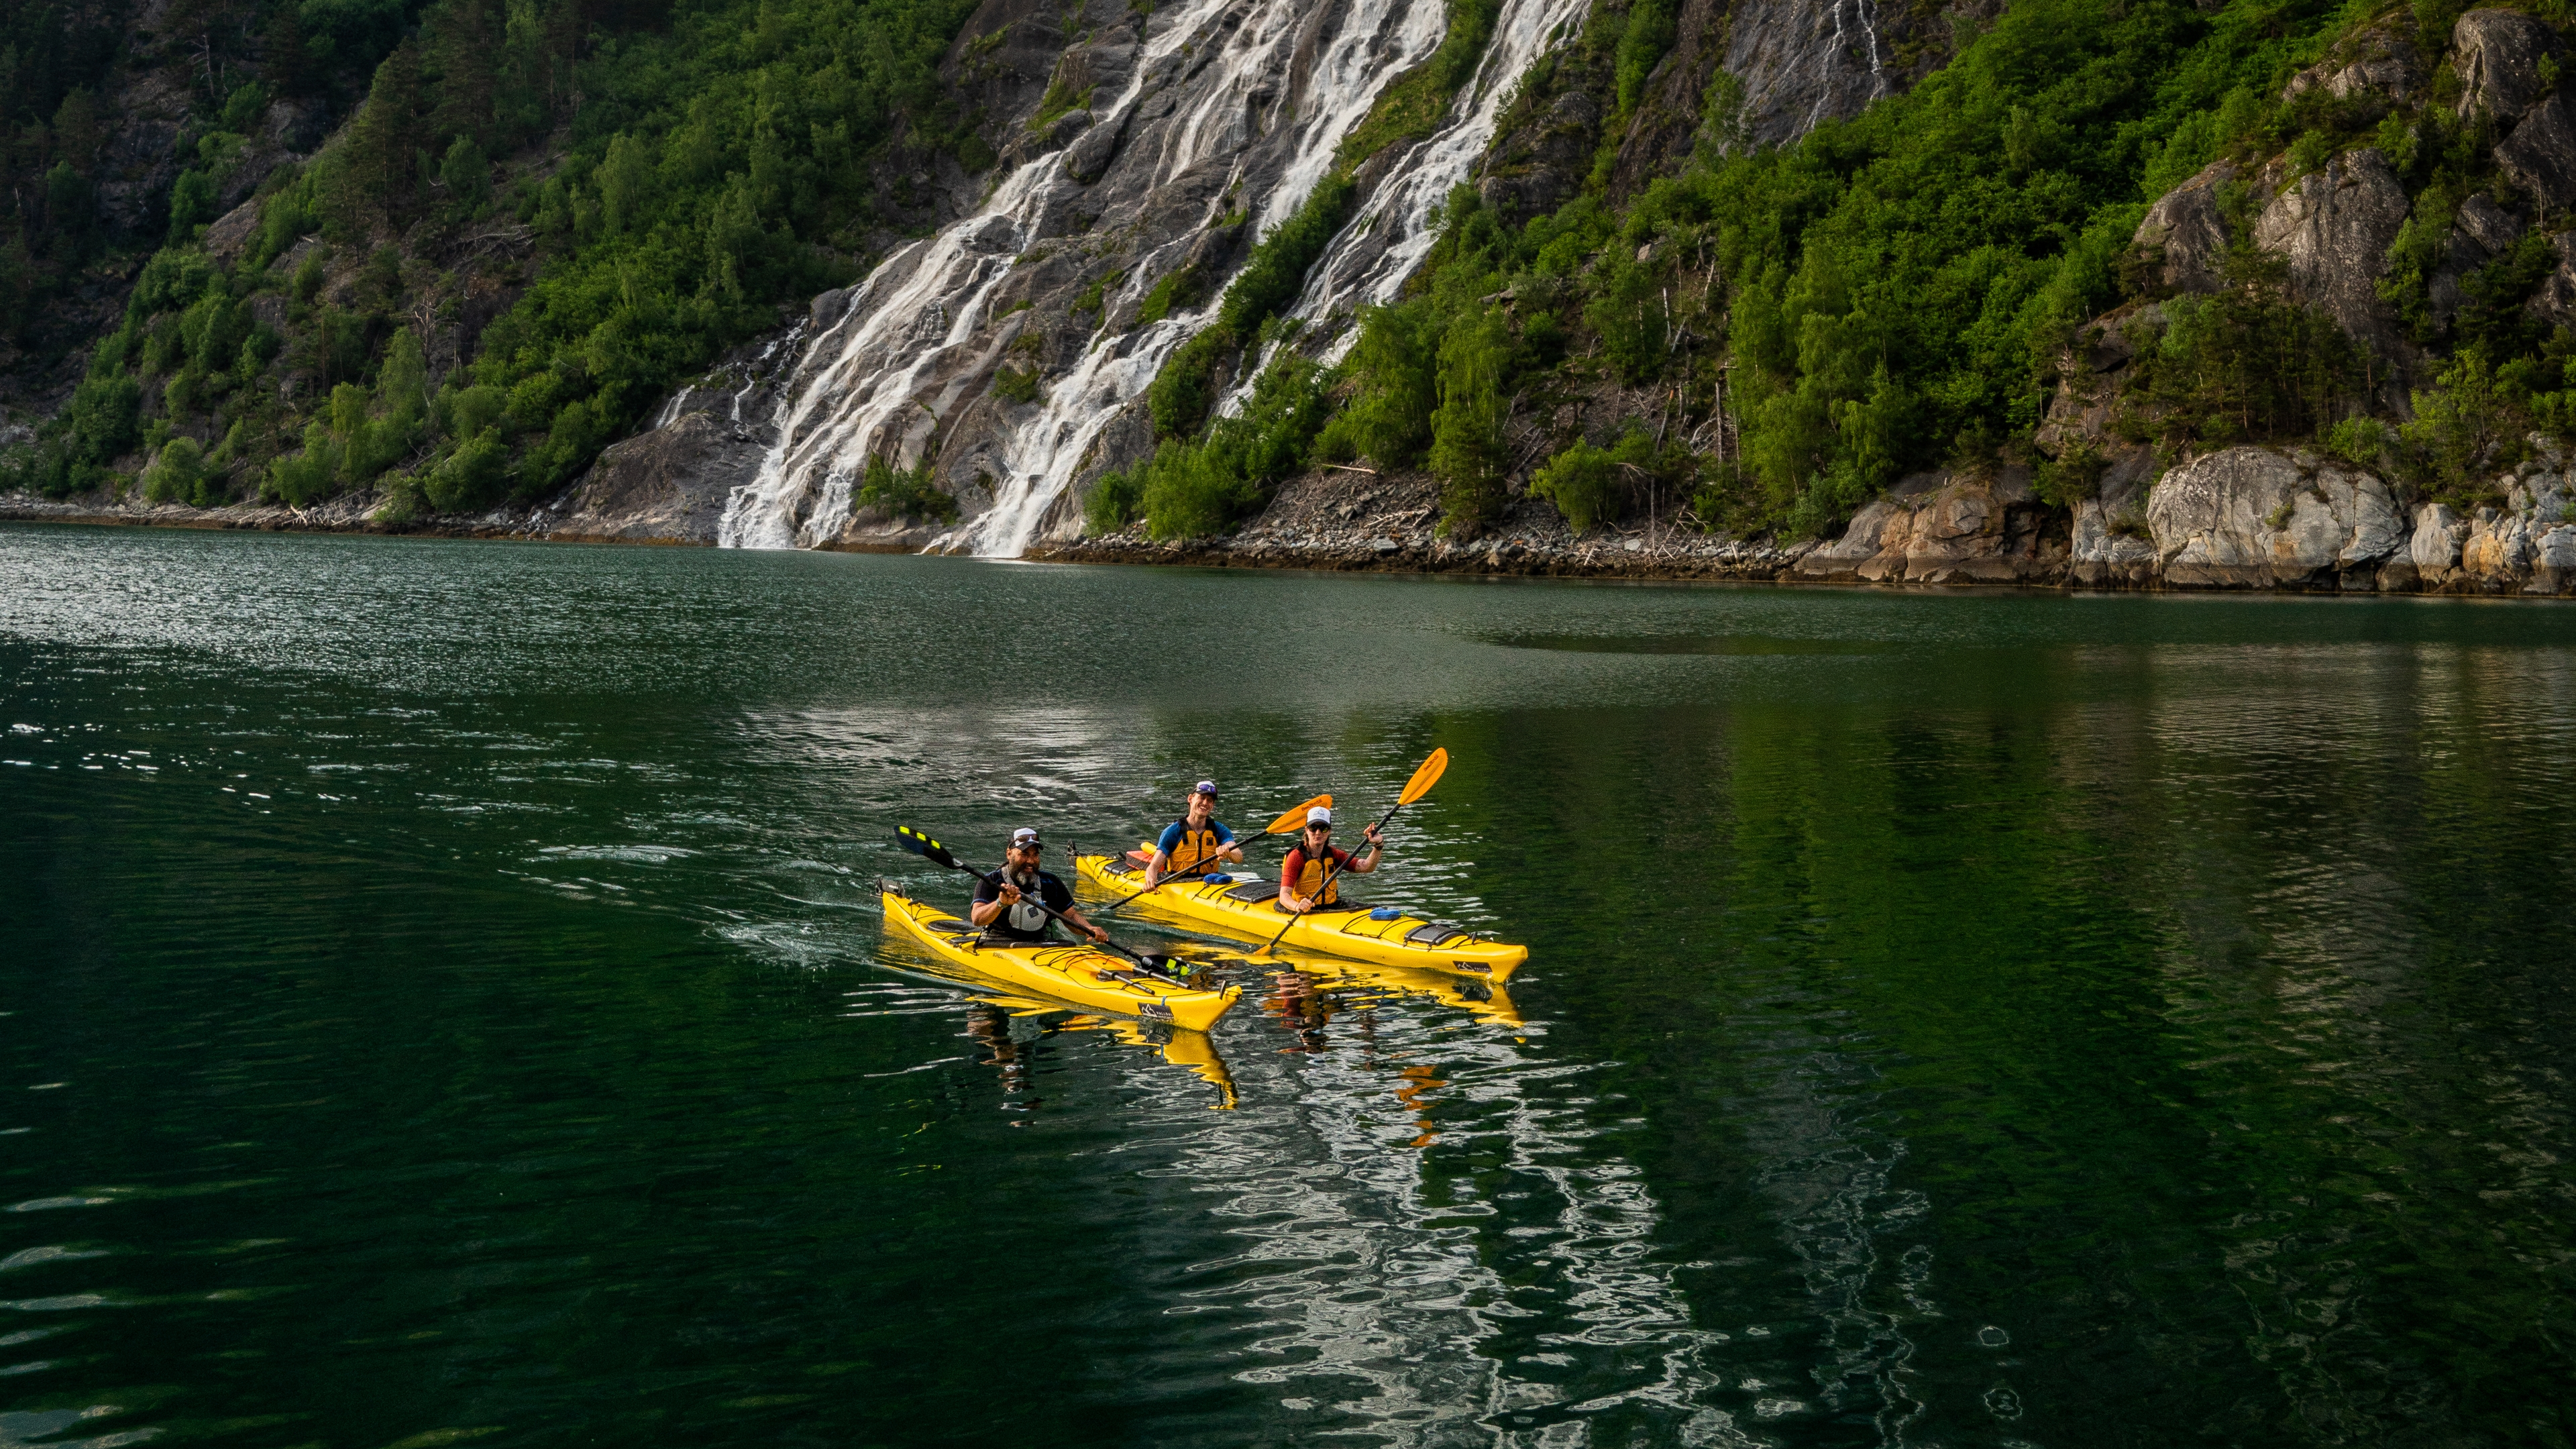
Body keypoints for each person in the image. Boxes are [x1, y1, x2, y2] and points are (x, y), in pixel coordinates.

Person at [971, 828, 1110, 945]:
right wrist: (1000, 903)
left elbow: (1071, 916)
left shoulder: (1051, 882)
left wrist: (1089, 929)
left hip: (1040, 945)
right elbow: (977, 919)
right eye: (1024, 854)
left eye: (1035, 855)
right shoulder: (992, 881)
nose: (1031, 861)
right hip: (998, 945)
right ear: (1009, 854)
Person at [1277, 806, 1382, 914]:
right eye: (1313, 827)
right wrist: (1297, 906)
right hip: (1302, 911)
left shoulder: (1333, 854)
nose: (1318, 832)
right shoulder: (1296, 857)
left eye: (1323, 828)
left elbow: (1367, 867)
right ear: (1307, 830)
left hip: (1330, 907)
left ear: (1329, 831)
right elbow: (1284, 896)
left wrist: (1378, 845)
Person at [1144, 780, 1244, 887]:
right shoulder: (1173, 831)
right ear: (1190, 799)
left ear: (1213, 805)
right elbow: (1154, 866)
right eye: (1202, 798)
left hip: (1209, 880)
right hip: (1177, 881)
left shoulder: (1219, 829)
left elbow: (1238, 857)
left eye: (1210, 800)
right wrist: (1150, 881)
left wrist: (1228, 853)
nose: (1205, 803)